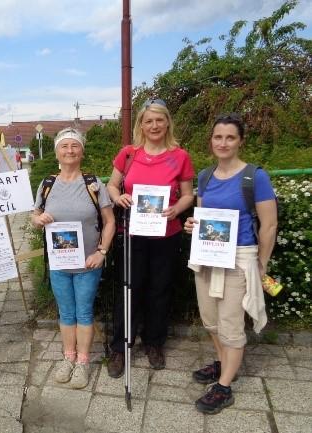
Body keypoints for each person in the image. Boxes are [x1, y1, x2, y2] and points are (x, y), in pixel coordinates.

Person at [184, 113, 277, 414]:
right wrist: (192, 225)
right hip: (209, 256)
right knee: (210, 318)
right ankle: (224, 363)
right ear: (211, 140)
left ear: (240, 141)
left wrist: (261, 263)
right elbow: (202, 218)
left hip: (239, 258)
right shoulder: (205, 176)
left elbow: (269, 225)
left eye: (230, 137)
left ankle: (224, 386)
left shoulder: (255, 177)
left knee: (231, 323)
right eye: (218, 137)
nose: (223, 143)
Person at [106, 98, 194, 377]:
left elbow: (189, 193)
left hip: (167, 234)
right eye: (148, 121)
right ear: (141, 125)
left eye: (159, 120)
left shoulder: (180, 155)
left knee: (160, 289)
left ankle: (154, 342)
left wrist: (177, 209)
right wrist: (118, 196)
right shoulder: (129, 154)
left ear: (167, 122)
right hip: (132, 233)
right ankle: (120, 346)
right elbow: (110, 184)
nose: (154, 125)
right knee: (128, 288)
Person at [31, 127, 115, 389]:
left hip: (88, 263)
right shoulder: (47, 184)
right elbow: (34, 217)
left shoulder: (93, 184)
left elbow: (109, 221)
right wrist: (38, 219)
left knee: (84, 312)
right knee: (66, 313)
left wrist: (101, 252)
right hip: (59, 265)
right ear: (57, 151)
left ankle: (83, 362)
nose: (70, 151)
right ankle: (68, 357)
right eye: (64, 146)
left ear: (82, 151)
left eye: (74, 146)